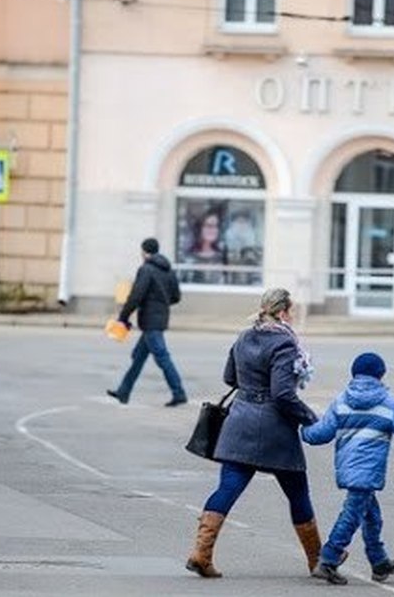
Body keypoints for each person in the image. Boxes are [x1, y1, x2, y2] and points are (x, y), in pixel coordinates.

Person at [185, 288, 326, 579]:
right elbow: (283, 394)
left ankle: (201, 553)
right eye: (292, 311)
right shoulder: (285, 343)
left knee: (228, 488)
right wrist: (310, 417)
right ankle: (317, 561)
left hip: (239, 424)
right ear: (284, 311)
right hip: (274, 429)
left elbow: (229, 378)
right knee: (298, 491)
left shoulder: (244, 336)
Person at [302, 352, 394, 585]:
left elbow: (320, 434)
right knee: (352, 514)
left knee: (372, 515)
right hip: (368, 470)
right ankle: (328, 559)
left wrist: (304, 430)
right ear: (381, 375)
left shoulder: (342, 400)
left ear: (354, 374)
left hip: (346, 468)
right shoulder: (389, 403)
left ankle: (379, 562)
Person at [106, 237, 188, 407]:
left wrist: (123, 317)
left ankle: (179, 392)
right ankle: (123, 391)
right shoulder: (168, 270)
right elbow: (176, 297)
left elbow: (136, 295)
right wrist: (161, 302)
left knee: (162, 357)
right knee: (138, 357)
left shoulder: (146, 269)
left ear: (144, 252)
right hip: (159, 319)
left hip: (151, 321)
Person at [182, 209, 227, 285]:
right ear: (200, 228)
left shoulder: (222, 257)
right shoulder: (189, 258)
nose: (213, 230)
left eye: (216, 226)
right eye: (209, 226)